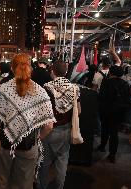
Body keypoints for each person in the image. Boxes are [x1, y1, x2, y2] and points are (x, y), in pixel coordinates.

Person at [0, 53, 55, 189]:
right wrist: (37, 138)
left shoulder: (2, 89)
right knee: (25, 184)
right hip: (28, 145)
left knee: (5, 181)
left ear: (12, 68)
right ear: (30, 68)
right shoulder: (40, 92)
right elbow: (49, 126)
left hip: (4, 144)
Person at [38, 61, 81, 189]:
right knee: (62, 162)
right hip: (66, 130)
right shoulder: (74, 88)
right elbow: (78, 110)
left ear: (52, 72)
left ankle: (42, 186)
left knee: (44, 163)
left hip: (49, 130)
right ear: (66, 72)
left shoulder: (46, 88)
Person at [96, 65, 131, 163]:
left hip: (106, 111)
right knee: (114, 133)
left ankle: (102, 146)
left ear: (111, 73)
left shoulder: (106, 82)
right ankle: (112, 154)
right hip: (118, 112)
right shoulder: (125, 84)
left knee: (105, 129)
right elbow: (127, 99)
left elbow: (101, 97)